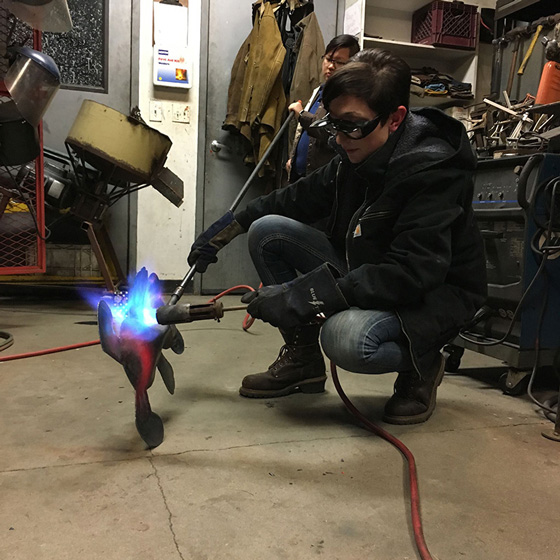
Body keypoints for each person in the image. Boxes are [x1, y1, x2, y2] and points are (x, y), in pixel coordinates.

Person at [188, 49, 487, 425]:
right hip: (371, 267)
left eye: (352, 124)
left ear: (395, 119)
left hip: (431, 293)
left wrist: (305, 296)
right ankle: (304, 362)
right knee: (267, 232)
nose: (340, 138)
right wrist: (228, 227)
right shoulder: (356, 152)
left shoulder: (434, 172)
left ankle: (423, 363)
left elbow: (412, 272)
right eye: (335, 124)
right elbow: (297, 196)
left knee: (345, 338)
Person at [286, 34, 360, 182]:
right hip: (300, 176)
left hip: (323, 181)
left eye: (339, 62)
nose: (331, 66)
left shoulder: (348, 98)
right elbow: (304, 134)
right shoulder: (320, 90)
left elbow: (327, 131)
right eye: (328, 59)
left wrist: (301, 114)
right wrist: (294, 159)